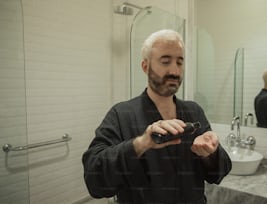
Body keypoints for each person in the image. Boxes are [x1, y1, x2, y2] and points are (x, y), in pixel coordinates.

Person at [82, 29, 232, 204]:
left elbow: (219, 171)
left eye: (180, 62)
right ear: (145, 66)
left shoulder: (194, 111)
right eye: (166, 61)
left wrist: (210, 153)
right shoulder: (122, 114)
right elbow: (94, 180)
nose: (175, 71)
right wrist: (141, 143)